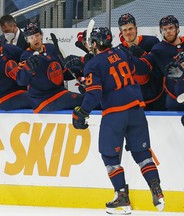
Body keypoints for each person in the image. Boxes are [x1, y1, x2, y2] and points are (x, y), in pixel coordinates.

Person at [71, 27, 164, 214]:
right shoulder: (122, 52)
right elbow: (141, 67)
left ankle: (122, 196)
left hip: (115, 115)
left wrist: (81, 112)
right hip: (137, 111)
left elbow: (94, 93)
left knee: (110, 156)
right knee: (142, 154)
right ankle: (157, 190)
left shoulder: (93, 64)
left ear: (95, 43)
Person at [17, 22, 84, 113]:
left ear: (41, 35)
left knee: (88, 99)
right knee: (88, 101)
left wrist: (80, 69)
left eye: (37, 35)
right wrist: (27, 69)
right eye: (31, 37)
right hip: (43, 101)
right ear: (27, 40)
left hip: (59, 93)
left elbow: (64, 73)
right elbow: (21, 81)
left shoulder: (51, 48)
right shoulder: (26, 56)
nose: (35, 39)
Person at [117, 13, 165, 111]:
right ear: (121, 32)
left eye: (130, 29)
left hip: (157, 97)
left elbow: (160, 67)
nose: (128, 32)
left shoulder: (152, 42)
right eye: (125, 30)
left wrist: (143, 55)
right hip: (134, 102)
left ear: (136, 28)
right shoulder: (119, 50)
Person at [144, 15, 184, 110]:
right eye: (165, 29)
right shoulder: (158, 49)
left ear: (177, 28)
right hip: (174, 98)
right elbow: (145, 65)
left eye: (170, 28)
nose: (168, 31)